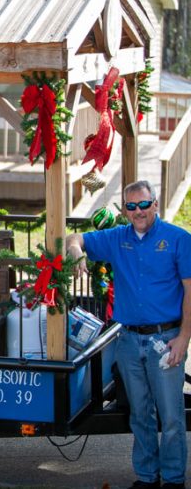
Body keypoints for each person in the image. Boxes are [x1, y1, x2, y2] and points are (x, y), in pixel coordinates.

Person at [66, 180, 191, 489]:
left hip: (166, 339)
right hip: (128, 341)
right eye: (132, 206)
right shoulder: (117, 238)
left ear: (156, 205)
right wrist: (76, 253)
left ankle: (173, 480)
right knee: (140, 414)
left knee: (172, 417)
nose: (139, 212)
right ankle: (147, 478)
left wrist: (184, 338)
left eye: (144, 205)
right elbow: (74, 237)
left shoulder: (178, 239)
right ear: (124, 210)